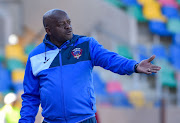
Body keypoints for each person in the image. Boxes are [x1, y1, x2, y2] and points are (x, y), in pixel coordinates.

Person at [19, 9, 161, 123]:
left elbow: (110, 59)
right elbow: (30, 96)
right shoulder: (35, 56)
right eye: (61, 24)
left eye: (69, 22)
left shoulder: (86, 45)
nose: (68, 26)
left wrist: (134, 66)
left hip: (85, 120)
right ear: (48, 30)